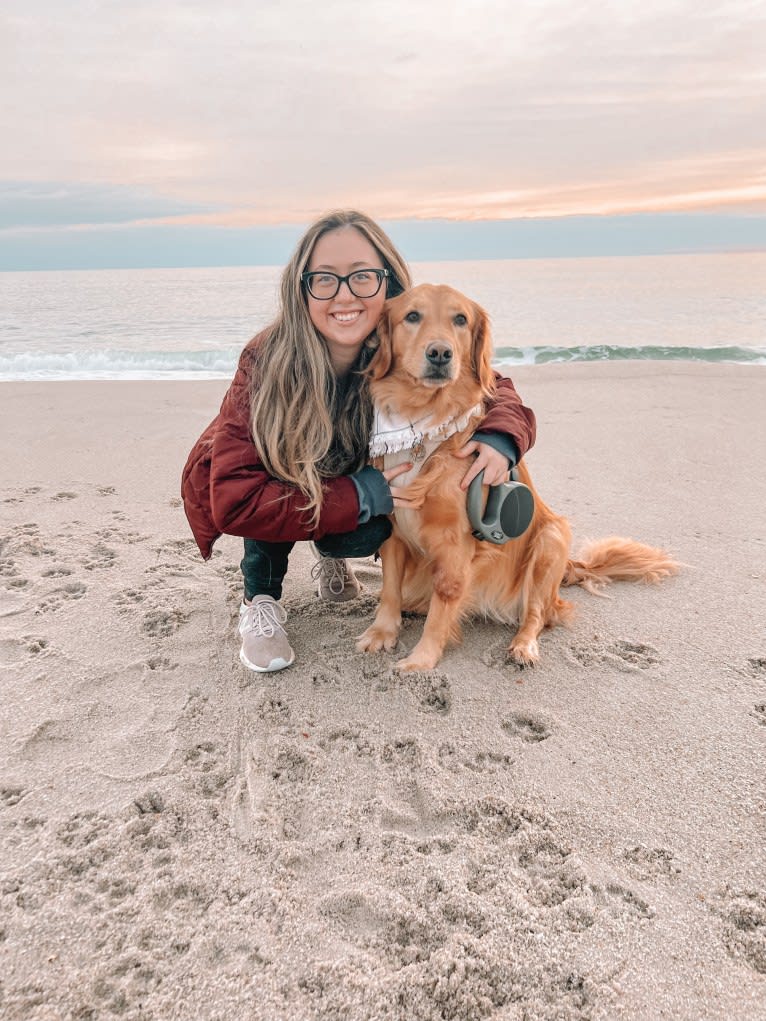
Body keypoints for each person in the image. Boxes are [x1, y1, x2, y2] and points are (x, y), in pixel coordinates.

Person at [181, 210, 536, 673]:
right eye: (324, 279)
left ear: (386, 282)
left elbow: (488, 381)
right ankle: (260, 599)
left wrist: (502, 435)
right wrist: (366, 492)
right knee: (279, 473)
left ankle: (332, 554)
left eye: (362, 277)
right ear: (301, 288)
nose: (345, 295)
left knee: (373, 527)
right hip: (275, 483)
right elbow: (237, 497)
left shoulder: (391, 333)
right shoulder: (267, 357)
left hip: (344, 478)